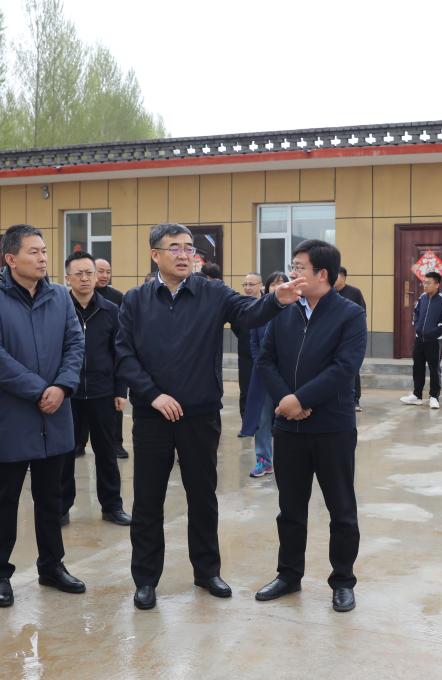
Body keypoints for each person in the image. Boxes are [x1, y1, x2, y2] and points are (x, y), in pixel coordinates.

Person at [115, 223, 305, 611]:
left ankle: (207, 571)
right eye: (174, 248)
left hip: (199, 415)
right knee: (148, 501)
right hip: (152, 416)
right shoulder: (135, 300)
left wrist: (276, 300)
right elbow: (123, 354)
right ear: (154, 255)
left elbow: (248, 313)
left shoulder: (212, 292)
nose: (184, 254)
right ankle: (146, 579)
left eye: (189, 248)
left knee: (202, 497)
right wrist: (153, 395)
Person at [0, 224, 86, 609]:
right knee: (4, 500)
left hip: (55, 415)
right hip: (13, 417)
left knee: (51, 499)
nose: (42, 258)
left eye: (44, 251)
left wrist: (63, 386)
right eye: (33, 252)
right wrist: (40, 390)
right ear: (10, 258)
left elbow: (75, 343)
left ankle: (52, 566)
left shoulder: (59, 296)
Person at [255, 239, 366, 613]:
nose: (293, 274)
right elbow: (265, 360)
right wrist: (286, 401)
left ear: (323, 274)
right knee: (290, 508)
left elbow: (344, 368)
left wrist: (301, 399)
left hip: (332, 427)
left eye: (299, 267)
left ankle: (343, 581)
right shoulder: (284, 311)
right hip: (289, 428)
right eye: (293, 266)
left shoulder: (349, 314)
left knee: (341, 509)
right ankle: (288, 575)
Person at [60, 252, 131, 527]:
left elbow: (120, 352)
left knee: (107, 453)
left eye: (89, 273)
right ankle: (61, 507)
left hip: (103, 393)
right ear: (67, 278)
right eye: (78, 274)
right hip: (67, 393)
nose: (85, 278)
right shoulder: (59, 308)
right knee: (64, 454)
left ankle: (112, 507)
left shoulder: (111, 310)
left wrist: (120, 390)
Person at [240, 271, 288, 477]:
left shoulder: (293, 310)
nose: (277, 287)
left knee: (287, 417)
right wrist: (262, 364)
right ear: (266, 288)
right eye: (273, 284)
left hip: (286, 374)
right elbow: (253, 342)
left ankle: (288, 461)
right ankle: (264, 460)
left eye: (282, 283)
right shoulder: (260, 310)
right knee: (262, 418)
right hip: (262, 373)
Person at [400, 271, 442, 410]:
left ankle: (434, 397)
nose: (425, 285)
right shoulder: (422, 297)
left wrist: (436, 330)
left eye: (428, 283)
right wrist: (416, 325)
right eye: (424, 282)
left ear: (437, 284)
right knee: (417, 367)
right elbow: (416, 312)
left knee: (434, 368)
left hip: (434, 340)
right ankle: (417, 395)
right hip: (419, 339)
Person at [94, 258, 128, 459]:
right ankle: (79, 443)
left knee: (115, 405)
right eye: (100, 271)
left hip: (111, 359)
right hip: (86, 361)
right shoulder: (76, 297)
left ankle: (117, 444)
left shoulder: (117, 297)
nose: (105, 276)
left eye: (108, 271)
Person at [232, 272, 263, 436]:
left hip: (265, 354)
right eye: (245, 284)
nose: (248, 288)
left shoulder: (267, 303)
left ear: (261, 285)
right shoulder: (240, 305)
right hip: (245, 354)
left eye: (251, 284)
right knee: (246, 389)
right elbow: (236, 327)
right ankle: (247, 425)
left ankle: (268, 424)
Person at [334, 267, 367, 412]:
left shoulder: (354, 292)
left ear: (343, 277)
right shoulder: (329, 293)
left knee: (352, 368)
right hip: (333, 337)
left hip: (350, 337)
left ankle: (355, 399)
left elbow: (362, 313)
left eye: (336, 275)